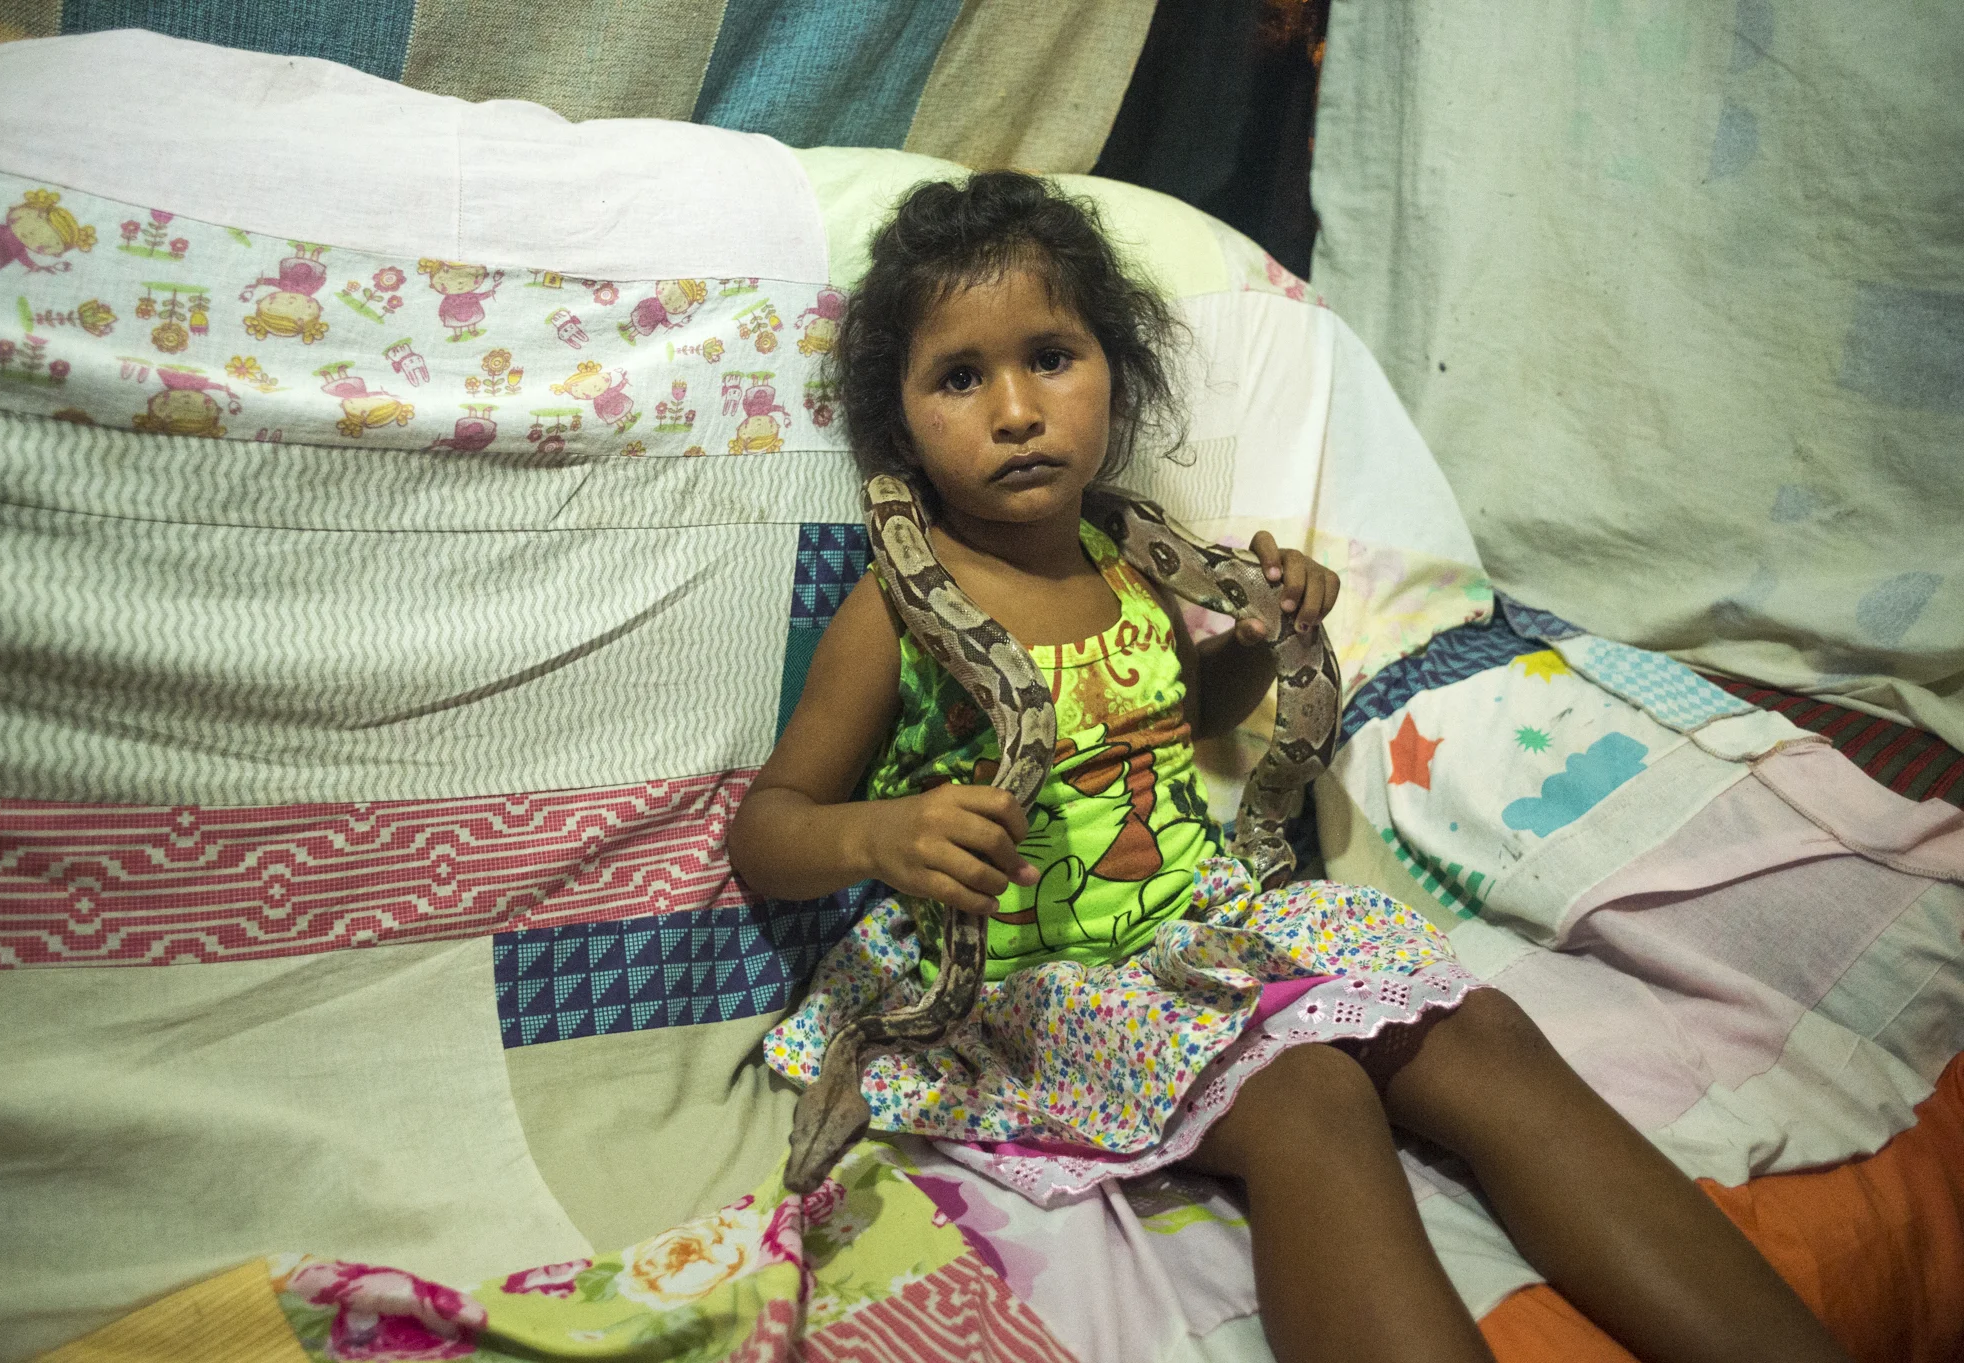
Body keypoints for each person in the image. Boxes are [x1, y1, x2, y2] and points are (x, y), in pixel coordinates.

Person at [726, 171, 1849, 1363]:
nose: (1015, 409)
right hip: (1019, 990)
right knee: (1309, 1099)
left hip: (1200, 931)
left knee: (1480, 1035)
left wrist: (1258, 645)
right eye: (960, 377)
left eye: (1049, 357)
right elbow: (770, 826)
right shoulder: (893, 609)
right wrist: (876, 834)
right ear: (899, 422)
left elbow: (1178, 723)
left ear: (1114, 368)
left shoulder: (1131, 556)